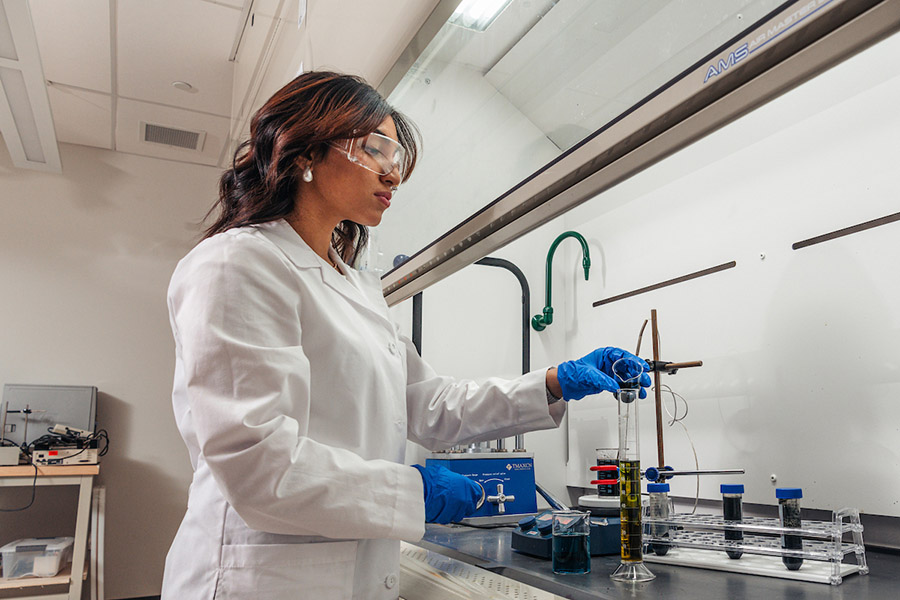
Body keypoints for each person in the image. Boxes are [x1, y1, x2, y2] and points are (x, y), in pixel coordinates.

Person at [160, 71, 650, 600]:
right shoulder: (239, 263)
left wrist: (555, 382)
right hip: (257, 580)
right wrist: (415, 490)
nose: (392, 175)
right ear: (303, 151)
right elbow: (259, 466)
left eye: (396, 161)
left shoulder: (356, 288)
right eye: (377, 151)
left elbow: (430, 404)